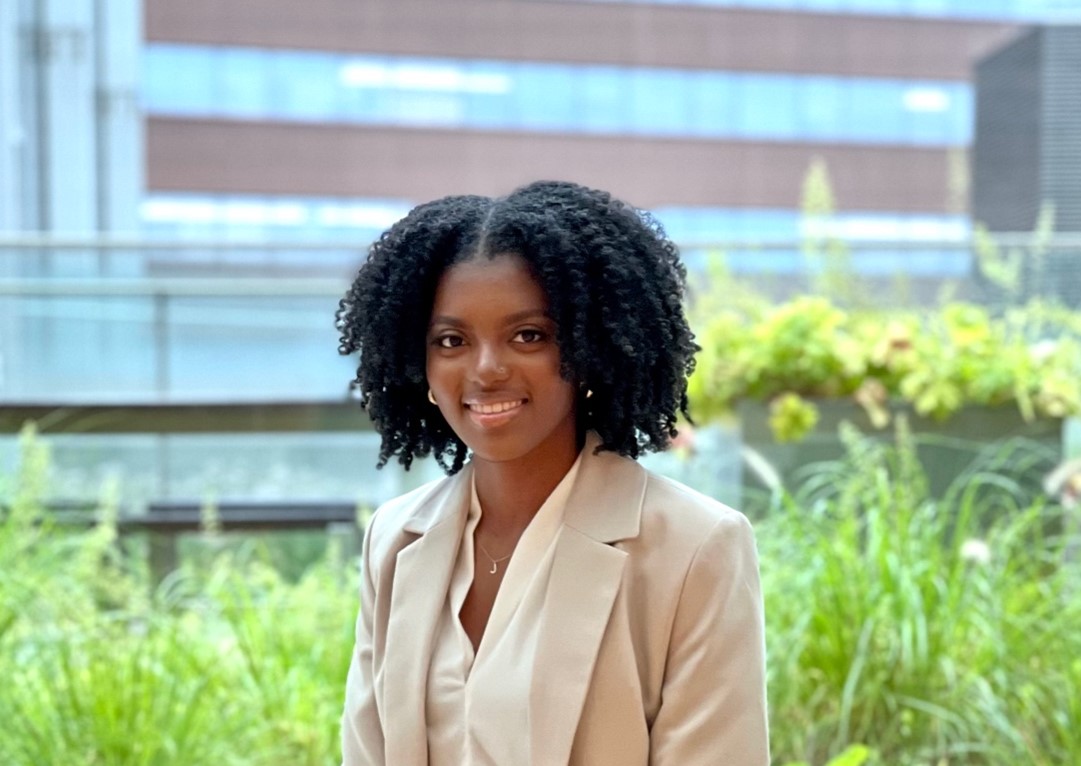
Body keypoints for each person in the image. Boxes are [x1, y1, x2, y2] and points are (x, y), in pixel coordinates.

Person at [335, 180, 769, 765]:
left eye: (528, 335)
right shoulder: (394, 539)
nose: (486, 369)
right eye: (452, 340)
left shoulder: (694, 548)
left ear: (590, 348)